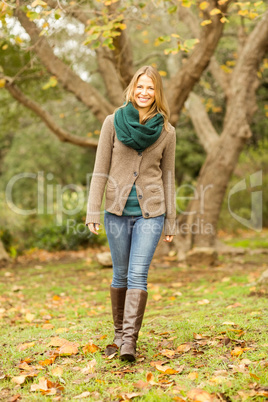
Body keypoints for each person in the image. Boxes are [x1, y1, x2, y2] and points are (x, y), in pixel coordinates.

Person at [86, 65, 176, 362]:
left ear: (157, 93)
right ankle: (118, 333)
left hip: (152, 213)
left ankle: (128, 342)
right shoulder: (112, 122)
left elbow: (168, 176)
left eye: (150, 88)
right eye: (140, 86)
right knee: (120, 273)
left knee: (138, 274)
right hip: (116, 212)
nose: (144, 92)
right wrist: (93, 211)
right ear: (132, 88)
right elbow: (100, 169)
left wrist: (171, 220)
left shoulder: (167, 131)